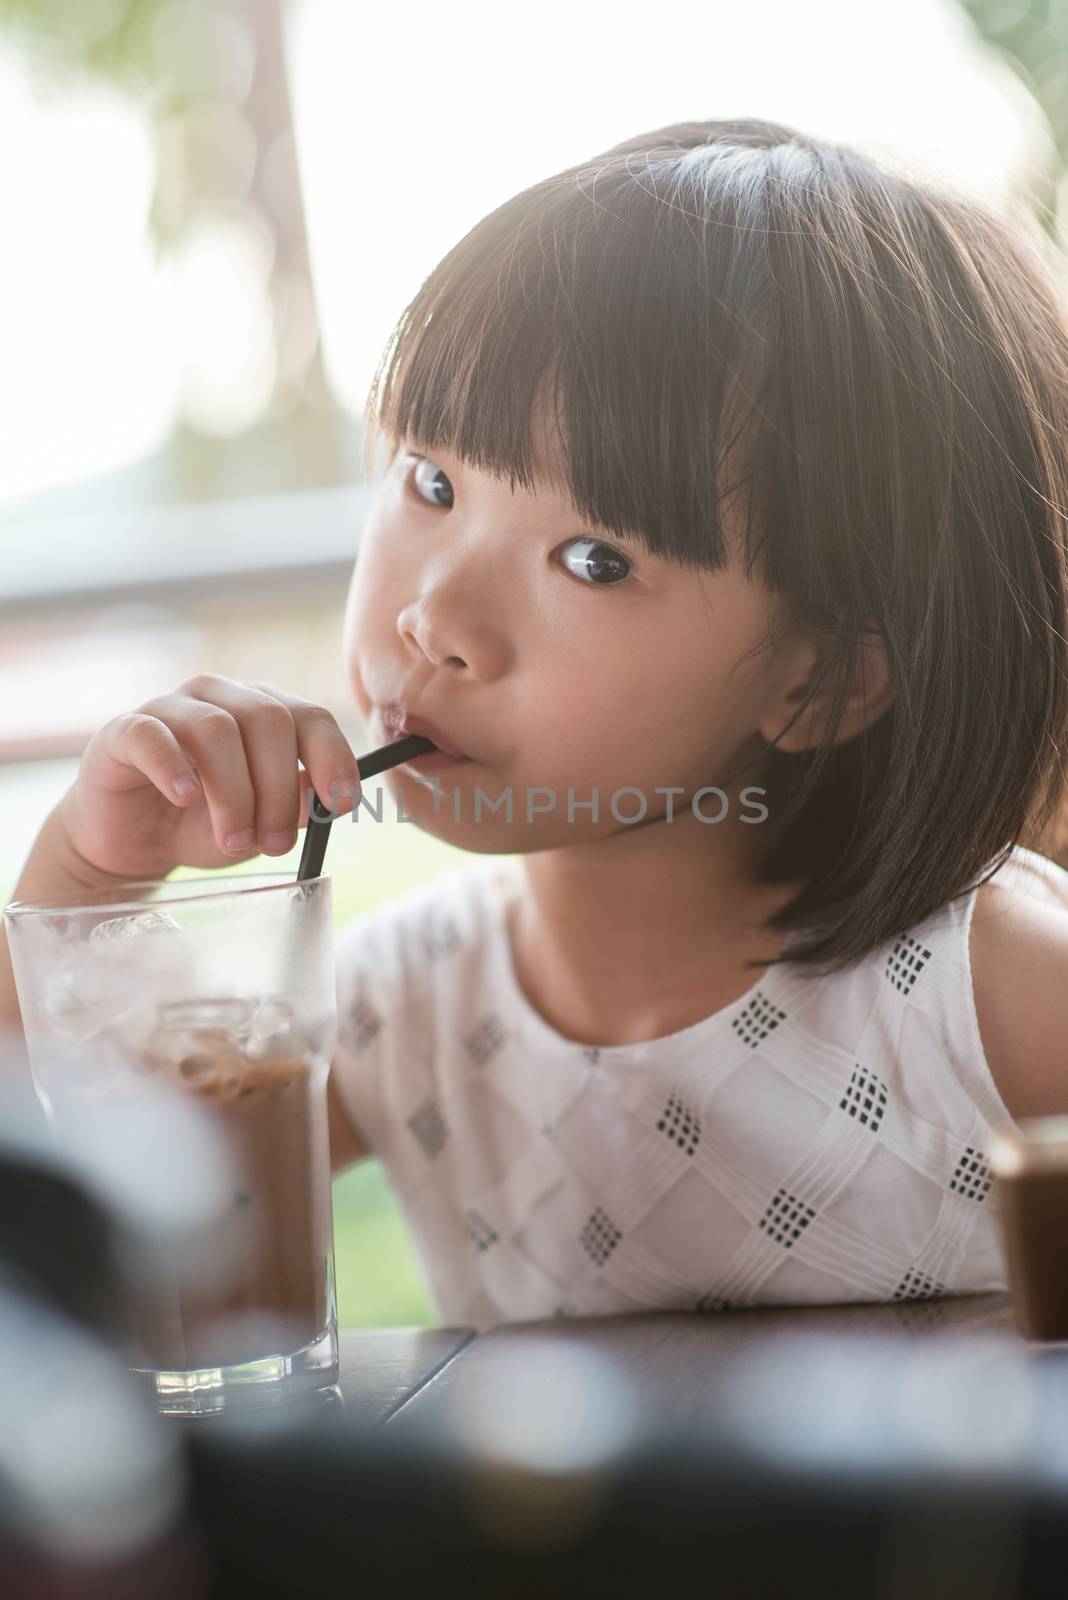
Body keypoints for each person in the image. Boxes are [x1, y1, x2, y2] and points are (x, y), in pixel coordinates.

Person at [4, 117, 1068, 1330]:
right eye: (433, 482)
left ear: (820, 680)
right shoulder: (400, 1006)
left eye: (591, 558)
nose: (434, 614)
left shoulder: (987, 996)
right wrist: (86, 872)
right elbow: (114, 1248)